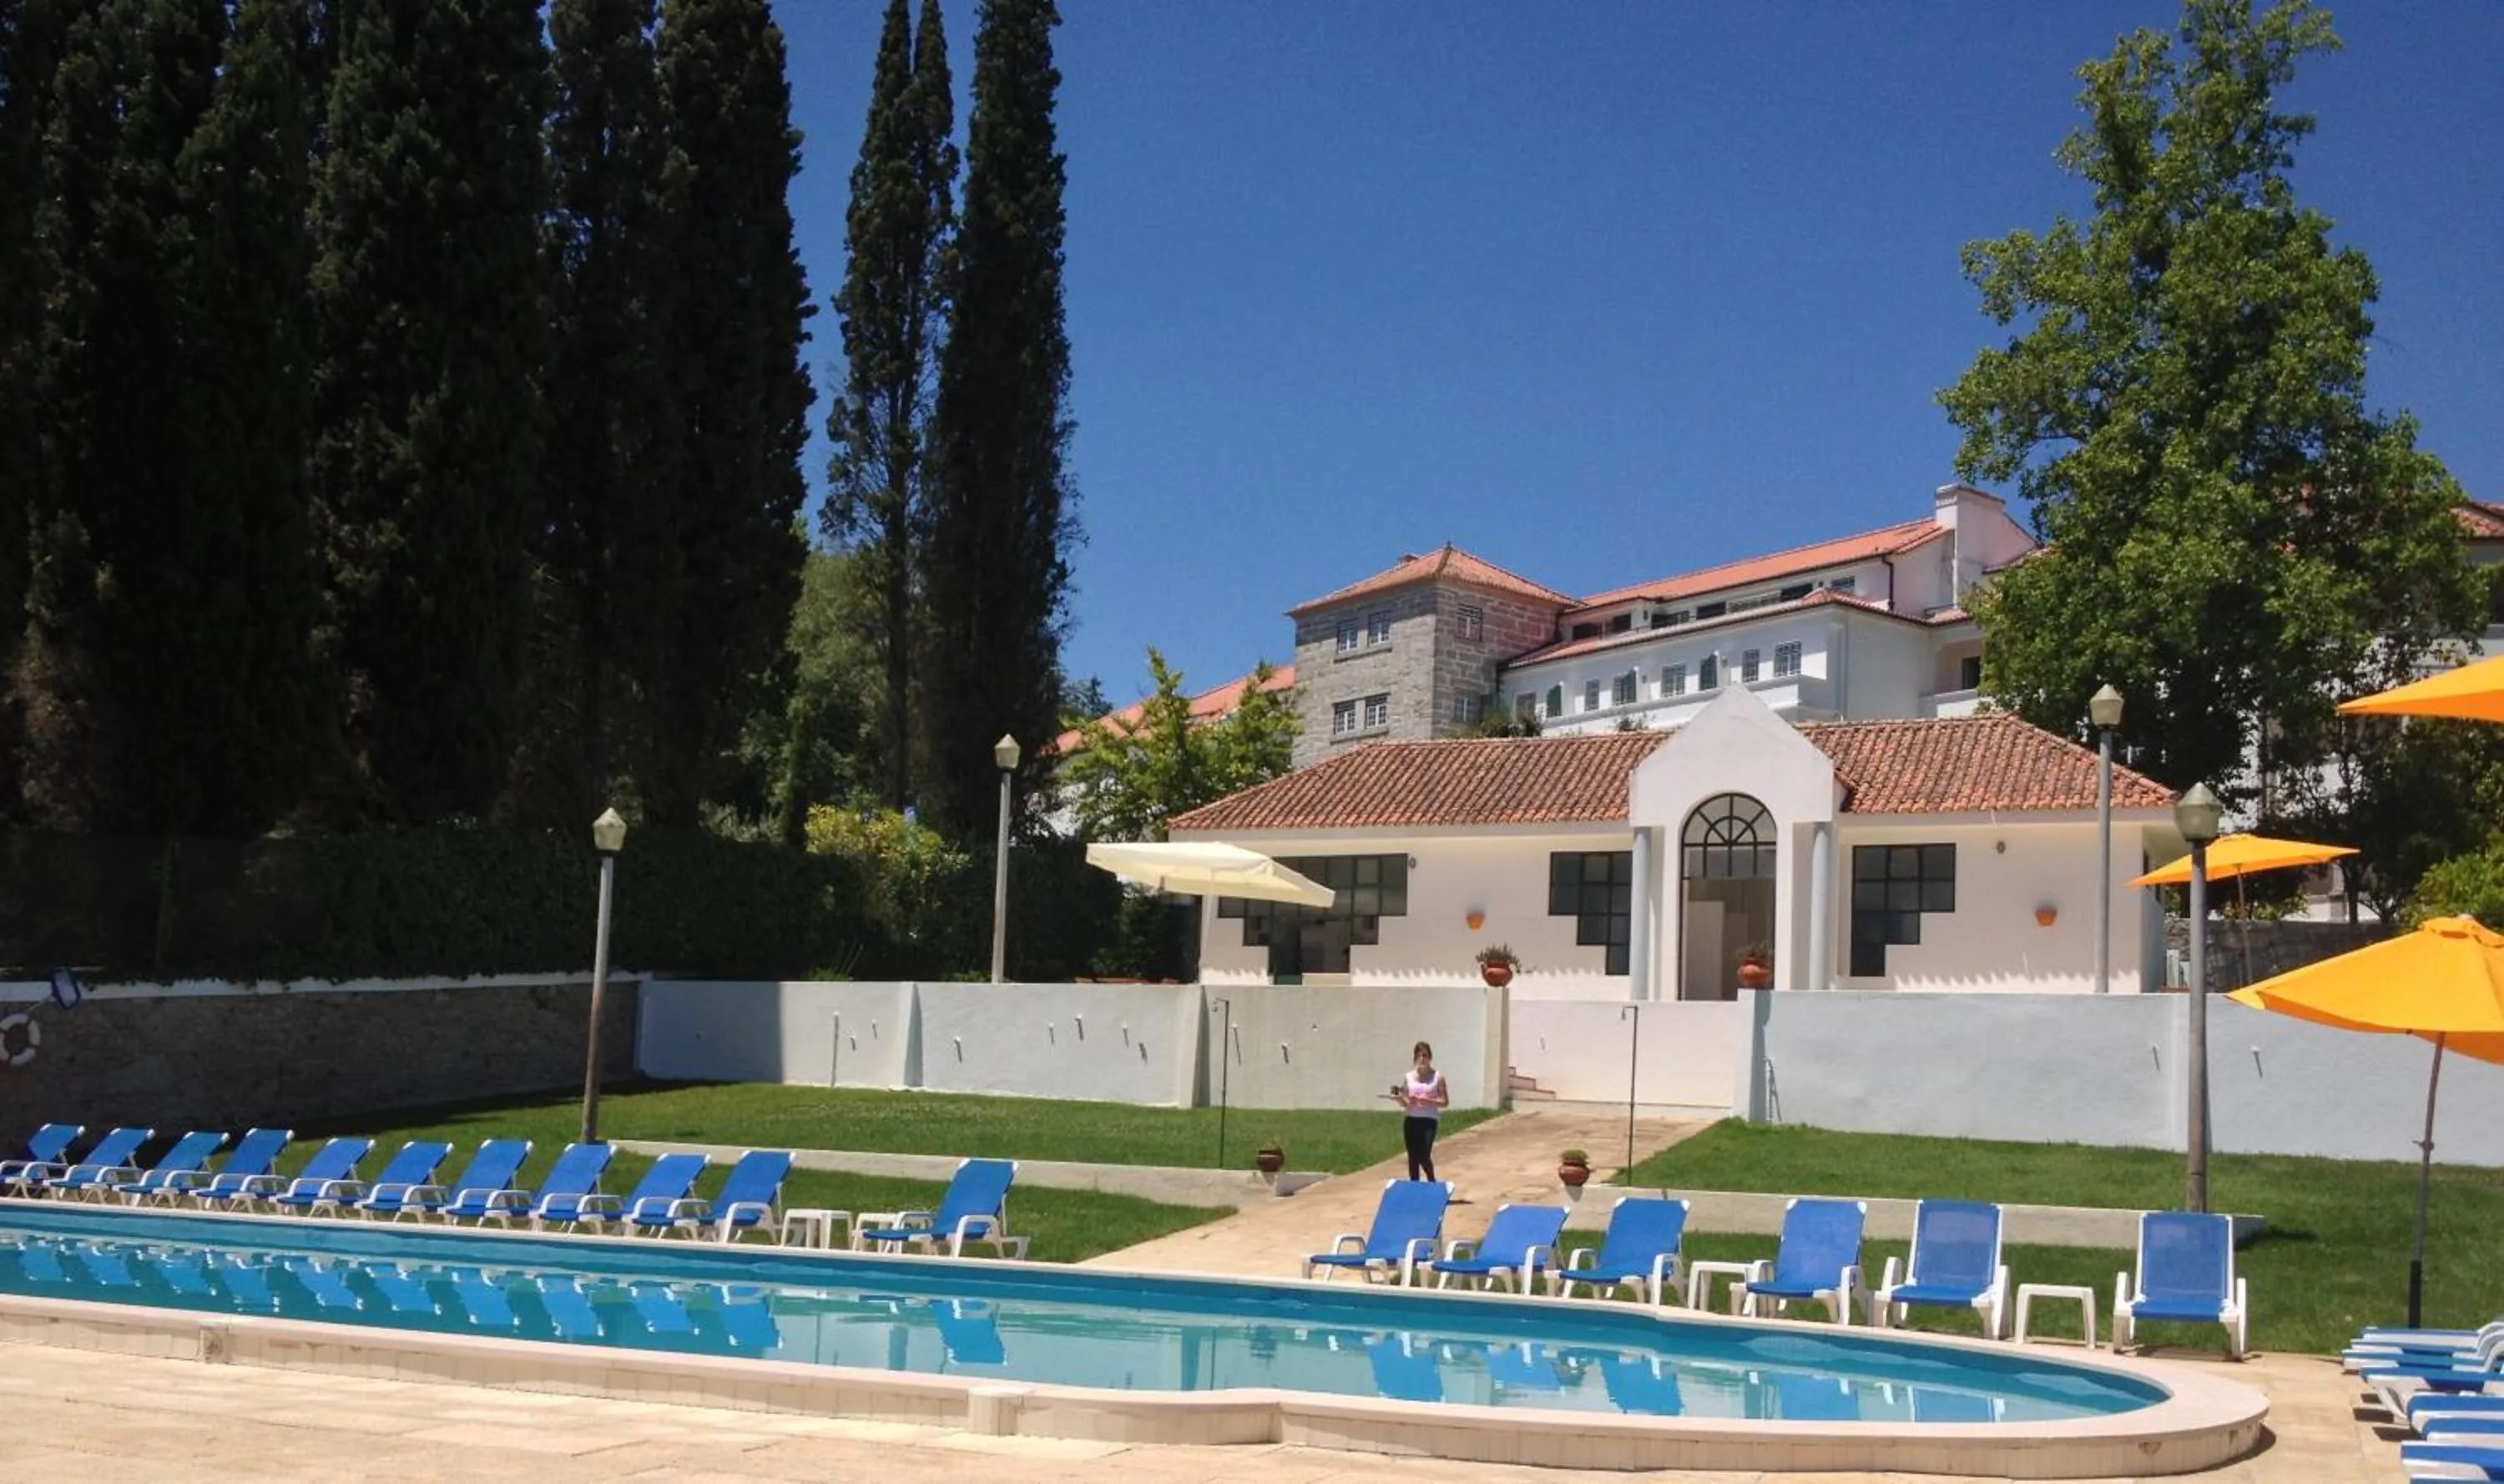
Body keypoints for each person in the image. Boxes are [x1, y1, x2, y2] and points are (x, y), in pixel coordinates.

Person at [1393, 1041, 1449, 1181]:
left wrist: (1428, 1101)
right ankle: (1415, 1186)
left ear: (1430, 1057)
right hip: (1411, 1119)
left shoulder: (1437, 1077)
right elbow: (1406, 1101)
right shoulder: (1409, 1077)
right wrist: (1400, 1100)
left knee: (1423, 1155)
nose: (1422, 1059)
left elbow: (1444, 1102)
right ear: (1415, 1058)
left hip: (1429, 1120)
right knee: (1412, 1157)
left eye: (1425, 1055)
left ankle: (1431, 1180)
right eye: (1419, 1056)